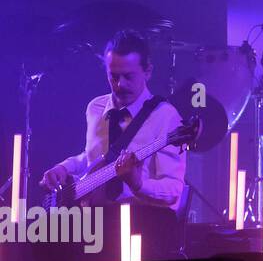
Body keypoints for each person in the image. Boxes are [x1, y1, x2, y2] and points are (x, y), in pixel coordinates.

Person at [41, 30, 187, 236]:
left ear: (148, 71)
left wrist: (138, 185)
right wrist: (63, 168)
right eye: (113, 76)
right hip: (91, 227)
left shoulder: (167, 117)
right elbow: (92, 158)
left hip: (142, 228)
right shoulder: (95, 108)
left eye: (128, 76)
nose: (120, 85)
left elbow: (174, 191)